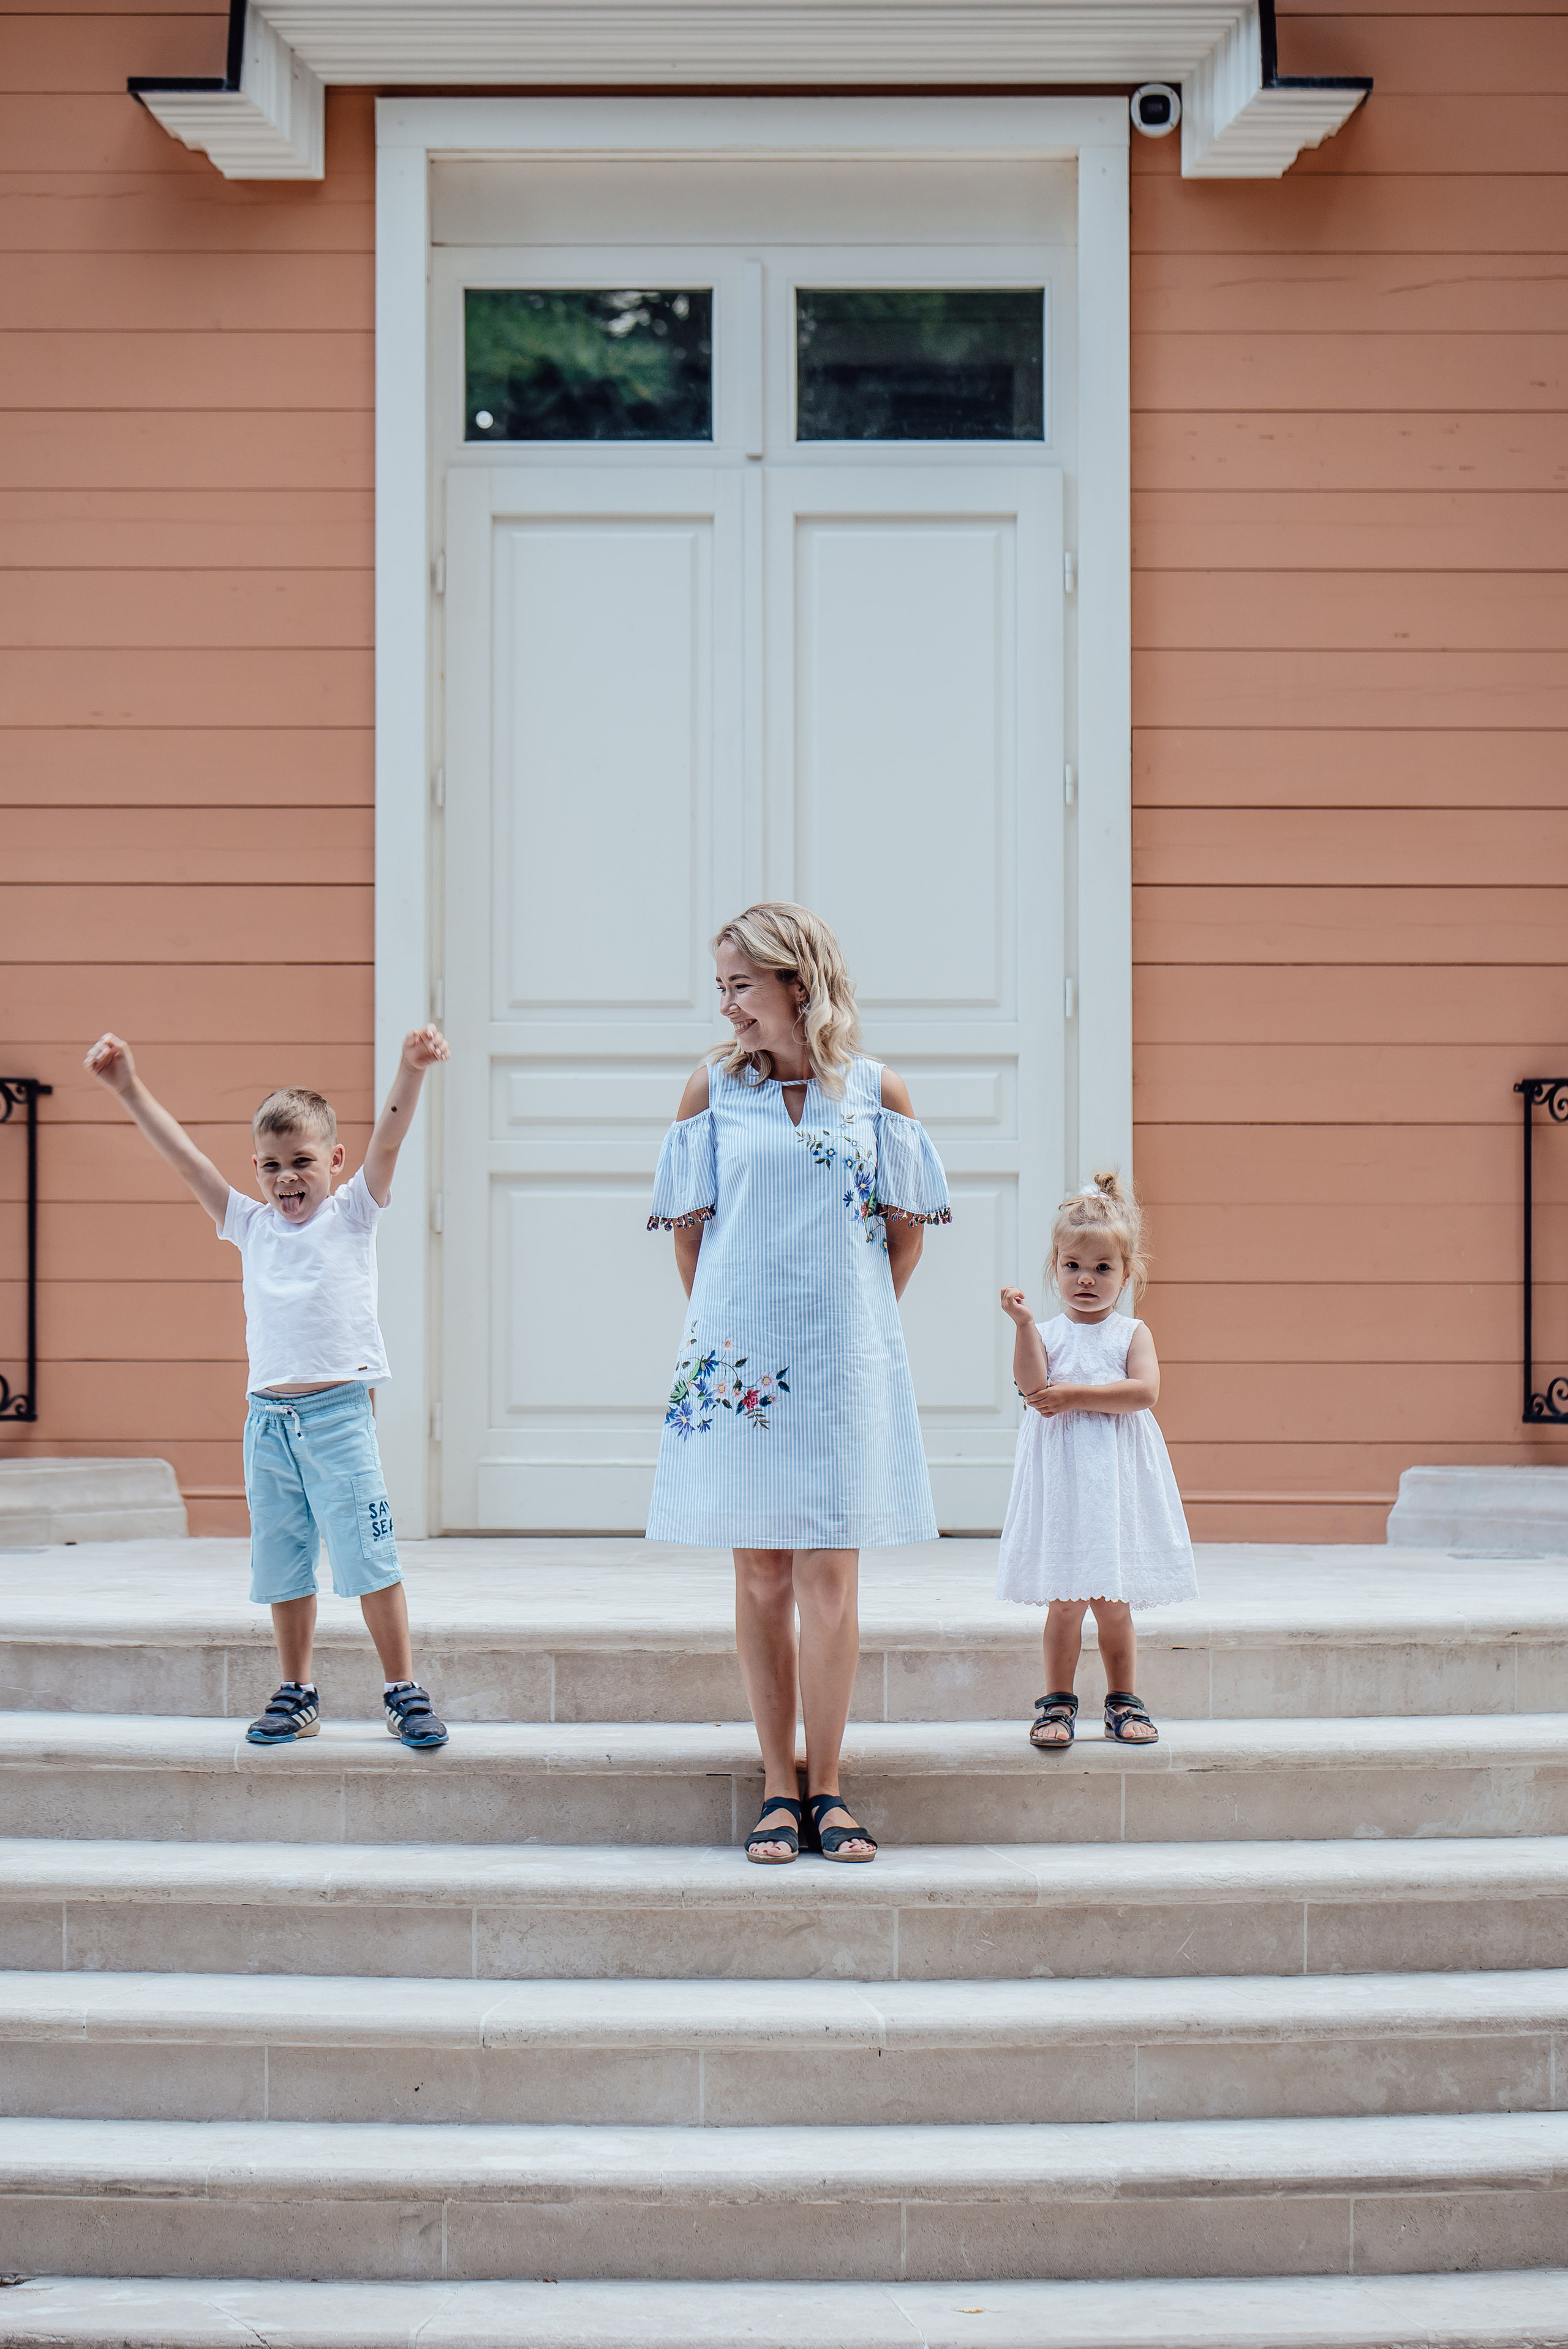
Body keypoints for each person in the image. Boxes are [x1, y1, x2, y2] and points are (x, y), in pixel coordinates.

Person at [646, 903, 949, 1864]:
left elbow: (904, 1233)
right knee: (762, 1571)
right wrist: (735, 1340)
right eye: (722, 986)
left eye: (741, 984)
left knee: (829, 1577)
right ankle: (779, 1783)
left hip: (842, 1362)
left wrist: (852, 1328)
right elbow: (691, 1235)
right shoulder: (711, 1091)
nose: (727, 1005)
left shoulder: (876, 1092)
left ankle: (830, 1785)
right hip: (742, 1370)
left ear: (797, 982)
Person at [83, 1027, 451, 1751]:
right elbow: (186, 1159)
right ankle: (297, 1691)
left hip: (338, 1418)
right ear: (256, 1169)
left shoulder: (353, 1212)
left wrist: (411, 1069)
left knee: (370, 1557)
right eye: (273, 1165)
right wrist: (126, 1087)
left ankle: (402, 1689)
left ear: (334, 1161)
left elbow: (390, 1137)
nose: (287, 1178)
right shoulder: (247, 1224)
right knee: (283, 1564)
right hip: (268, 1426)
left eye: (303, 1162)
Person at [996, 1172, 1196, 1750]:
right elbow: (1032, 1386)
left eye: (1103, 1268)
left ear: (1126, 1276)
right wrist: (1024, 1326)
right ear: (1056, 1268)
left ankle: (1122, 1700)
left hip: (1114, 1483)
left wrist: (1076, 1396)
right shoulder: (1047, 1333)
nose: (1086, 1279)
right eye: (1073, 1266)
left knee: (1113, 1603)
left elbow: (1144, 1392)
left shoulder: (1131, 1333)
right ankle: (1057, 1702)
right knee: (1064, 1603)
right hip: (1063, 1484)